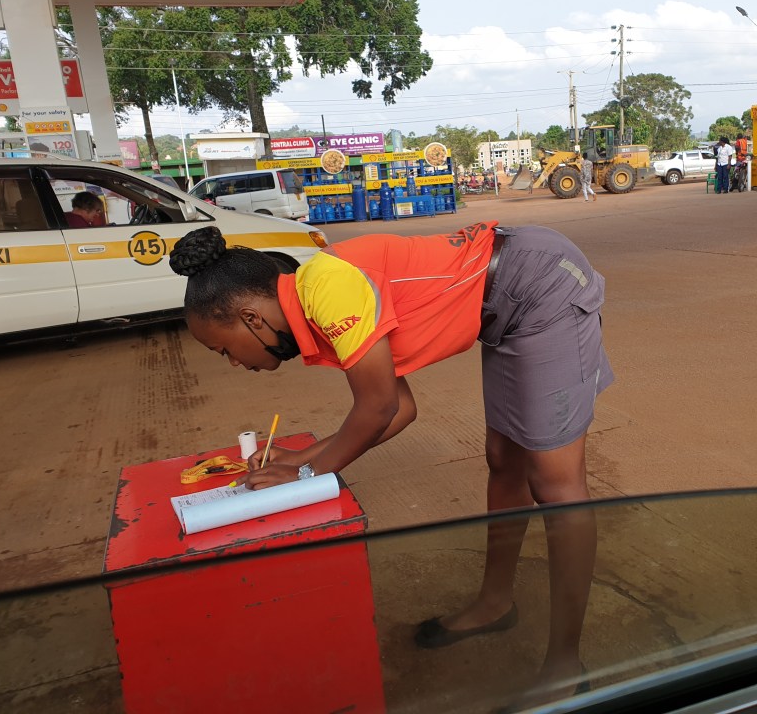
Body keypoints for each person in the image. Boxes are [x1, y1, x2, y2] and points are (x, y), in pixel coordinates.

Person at [168, 222, 614, 705]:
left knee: (555, 484)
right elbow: (400, 409)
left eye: (223, 349)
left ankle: (566, 664)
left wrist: (304, 474)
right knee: (504, 460)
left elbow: (379, 407)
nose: (233, 363)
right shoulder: (315, 301)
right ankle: (495, 603)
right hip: (505, 305)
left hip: (543, 284)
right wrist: (299, 458)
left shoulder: (327, 289)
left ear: (252, 318)